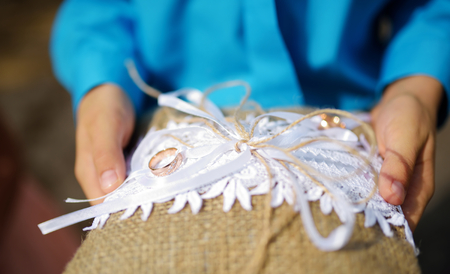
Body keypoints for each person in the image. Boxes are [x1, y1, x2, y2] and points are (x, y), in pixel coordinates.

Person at [50, 0, 450, 232]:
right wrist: (102, 86)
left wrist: (413, 88)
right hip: (168, 121)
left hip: (348, 127)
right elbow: (95, 10)